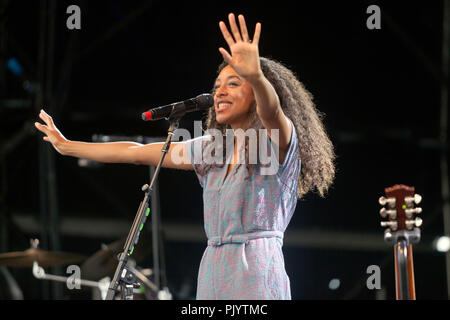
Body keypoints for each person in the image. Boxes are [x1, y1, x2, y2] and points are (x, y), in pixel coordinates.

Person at [35, 13, 335, 300]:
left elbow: (273, 113)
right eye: (217, 86)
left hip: (256, 274)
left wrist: (256, 75)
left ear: (256, 92)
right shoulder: (211, 148)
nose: (220, 93)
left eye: (234, 83)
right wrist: (68, 145)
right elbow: (136, 153)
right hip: (213, 271)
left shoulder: (275, 143)